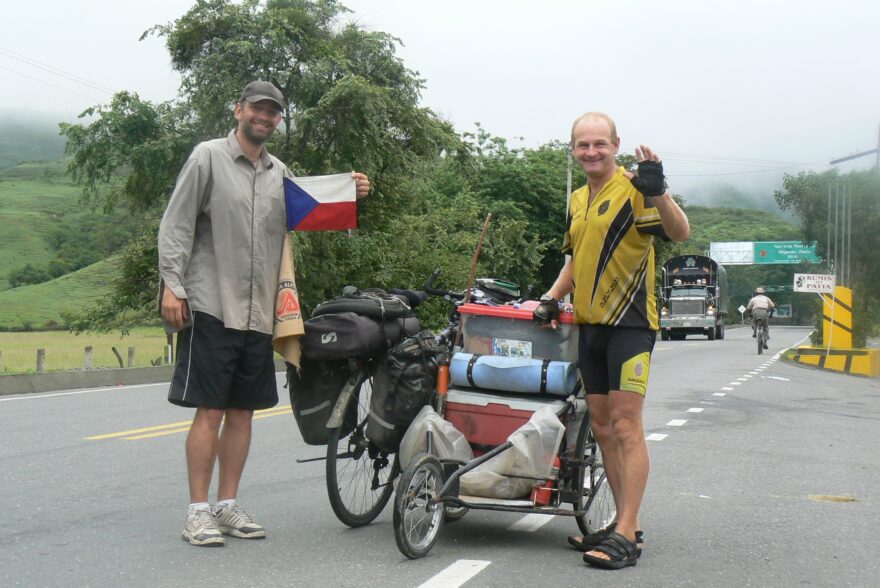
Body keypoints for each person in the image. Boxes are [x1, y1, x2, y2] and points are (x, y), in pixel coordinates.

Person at [158, 80, 371, 547]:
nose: (265, 117)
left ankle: (227, 504)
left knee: (243, 412)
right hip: (212, 301)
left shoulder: (281, 173)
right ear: (239, 110)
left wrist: (351, 191)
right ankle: (198, 511)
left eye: (274, 112)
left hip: (261, 309)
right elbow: (175, 225)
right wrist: (171, 286)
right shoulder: (207, 157)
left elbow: (311, 212)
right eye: (258, 108)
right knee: (209, 410)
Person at [534, 112, 689, 569]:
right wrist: (550, 297)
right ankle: (626, 525)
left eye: (600, 144)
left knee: (625, 426)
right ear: (573, 149)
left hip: (631, 326)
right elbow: (574, 260)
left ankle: (625, 531)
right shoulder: (579, 198)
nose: (591, 152)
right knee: (601, 427)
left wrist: (659, 189)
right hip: (590, 326)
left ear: (616, 145)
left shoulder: (636, 189)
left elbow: (680, 232)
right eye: (583, 145)